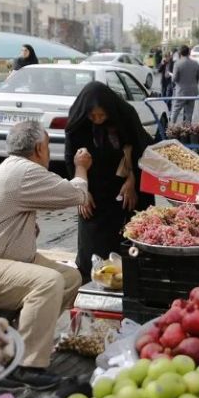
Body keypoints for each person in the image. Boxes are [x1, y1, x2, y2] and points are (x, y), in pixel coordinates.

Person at [0, 120, 92, 369]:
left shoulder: (9, 169)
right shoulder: (26, 171)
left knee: (70, 277)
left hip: (3, 259)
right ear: (40, 148)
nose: (49, 153)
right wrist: (81, 168)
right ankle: (27, 365)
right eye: (48, 147)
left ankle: (18, 338)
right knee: (48, 282)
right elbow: (77, 195)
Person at [63, 82, 153, 281]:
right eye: (92, 116)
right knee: (93, 242)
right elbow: (71, 159)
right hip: (94, 185)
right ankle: (91, 280)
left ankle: (132, 281)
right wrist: (82, 194)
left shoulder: (125, 115)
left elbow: (143, 151)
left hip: (127, 184)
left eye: (102, 116)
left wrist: (133, 181)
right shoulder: (78, 121)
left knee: (130, 238)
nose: (97, 120)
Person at [171, 45, 199, 124]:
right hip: (192, 91)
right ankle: (187, 131)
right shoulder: (195, 63)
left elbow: (174, 79)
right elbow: (198, 77)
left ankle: (171, 128)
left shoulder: (178, 63)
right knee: (189, 113)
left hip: (181, 92)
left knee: (175, 111)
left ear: (180, 53)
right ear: (189, 52)